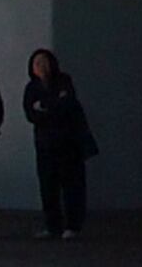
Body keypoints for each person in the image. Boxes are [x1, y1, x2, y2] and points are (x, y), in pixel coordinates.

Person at [21, 48, 93, 241]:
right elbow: (31, 113)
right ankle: (52, 225)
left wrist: (46, 107)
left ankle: (72, 225)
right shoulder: (31, 88)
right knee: (47, 185)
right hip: (45, 144)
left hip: (68, 143)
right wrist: (49, 107)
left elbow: (67, 105)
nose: (41, 67)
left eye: (45, 62)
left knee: (71, 184)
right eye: (37, 63)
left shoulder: (63, 81)